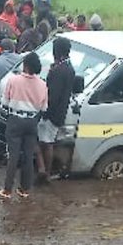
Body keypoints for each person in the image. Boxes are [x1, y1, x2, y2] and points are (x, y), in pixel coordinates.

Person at [0, 52, 46, 200]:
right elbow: (44, 108)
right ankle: (24, 189)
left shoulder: (13, 80)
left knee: (13, 156)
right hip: (32, 122)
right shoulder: (43, 84)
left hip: (15, 120)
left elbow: (5, 102)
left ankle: (7, 190)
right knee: (28, 155)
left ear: (25, 65)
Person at [38, 35, 73, 181]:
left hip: (52, 113)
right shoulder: (68, 68)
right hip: (59, 112)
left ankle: (45, 172)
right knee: (47, 142)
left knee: (46, 143)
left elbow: (53, 95)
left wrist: (44, 112)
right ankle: (45, 170)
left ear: (57, 51)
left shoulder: (59, 70)